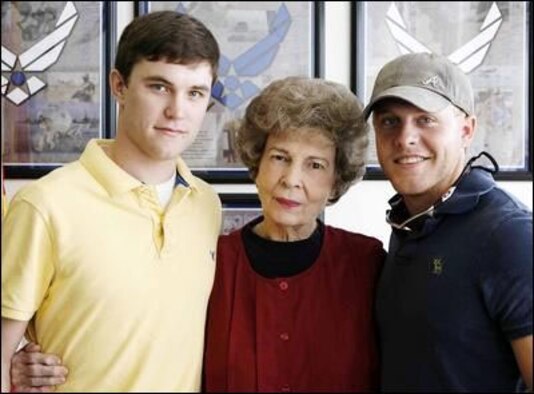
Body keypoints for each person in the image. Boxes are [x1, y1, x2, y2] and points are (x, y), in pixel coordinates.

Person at [10, 77, 386, 392]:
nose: (292, 179)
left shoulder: (366, 264)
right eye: (280, 157)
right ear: (256, 162)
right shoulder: (208, 258)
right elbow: (127, 326)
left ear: (336, 180)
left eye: (315, 165)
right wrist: (23, 360)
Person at [2, 11, 221, 392]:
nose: (177, 111)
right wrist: (16, 367)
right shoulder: (45, 205)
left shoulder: (206, 205)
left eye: (195, 93)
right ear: (118, 86)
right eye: (159, 87)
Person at [363, 52, 532, 392]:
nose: (405, 138)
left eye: (425, 120)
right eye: (389, 121)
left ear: (466, 130)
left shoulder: (509, 236)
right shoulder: (408, 224)